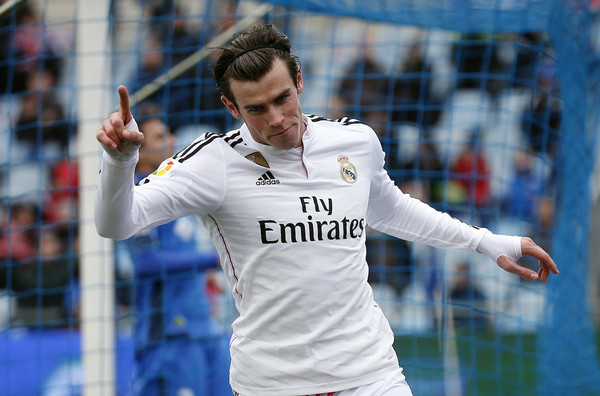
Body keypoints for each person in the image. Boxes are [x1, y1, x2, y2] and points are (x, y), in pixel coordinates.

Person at [95, 24, 559, 396]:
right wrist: (119, 162)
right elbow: (117, 224)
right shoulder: (211, 162)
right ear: (231, 108)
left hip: (369, 371)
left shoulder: (354, 143)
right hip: (271, 382)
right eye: (257, 109)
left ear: (299, 81)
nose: (276, 118)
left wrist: (484, 240)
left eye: (283, 99)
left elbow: (392, 210)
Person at [115, 103, 232, 396]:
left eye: (168, 133)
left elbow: (179, 252)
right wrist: (212, 260)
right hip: (169, 333)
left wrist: (204, 276)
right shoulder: (136, 194)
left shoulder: (176, 189)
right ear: (137, 149)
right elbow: (146, 262)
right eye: (159, 137)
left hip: (205, 327)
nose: (170, 141)